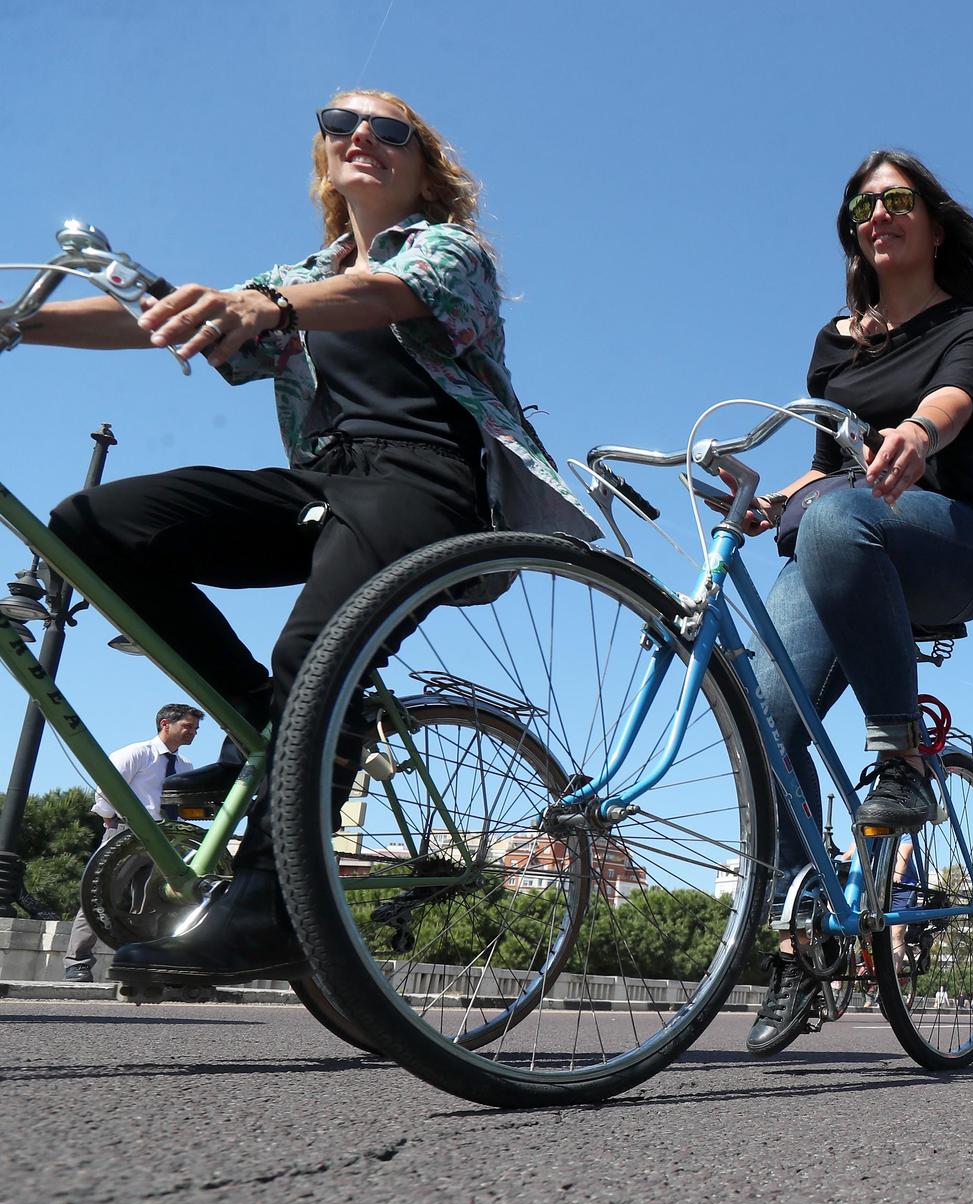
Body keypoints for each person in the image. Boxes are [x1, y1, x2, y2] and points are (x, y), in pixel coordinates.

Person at [22, 91, 593, 988]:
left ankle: (270, 905)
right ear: (325, 154)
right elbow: (168, 318)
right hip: (328, 478)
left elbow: (380, 294)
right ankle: (266, 720)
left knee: (314, 645)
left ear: (422, 164)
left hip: (426, 479)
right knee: (91, 527)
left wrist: (267, 305)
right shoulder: (297, 272)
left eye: (389, 129)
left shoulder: (448, 250)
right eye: (339, 124)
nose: (360, 136)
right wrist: (22, 324)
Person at [742, 151, 973, 1050]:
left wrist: (918, 434)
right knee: (762, 707)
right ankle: (804, 939)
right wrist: (773, 499)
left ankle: (902, 760)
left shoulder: (969, 322)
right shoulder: (835, 339)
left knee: (843, 517)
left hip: (946, 540)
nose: (877, 213)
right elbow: (820, 461)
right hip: (833, 535)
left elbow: (955, 401)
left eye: (896, 199)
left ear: (931, 220)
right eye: (862, 203)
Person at [61, 704, 204, 980]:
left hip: (165, 840)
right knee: (100, 896)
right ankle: (77, 962)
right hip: (127, 835)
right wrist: (109, 817)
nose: (193, 733)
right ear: (165, 724)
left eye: (195, 729)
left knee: (150, 903)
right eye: (188, 727)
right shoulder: (137, 754)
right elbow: (107, 786)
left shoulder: (186, 766)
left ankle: (139, 964)